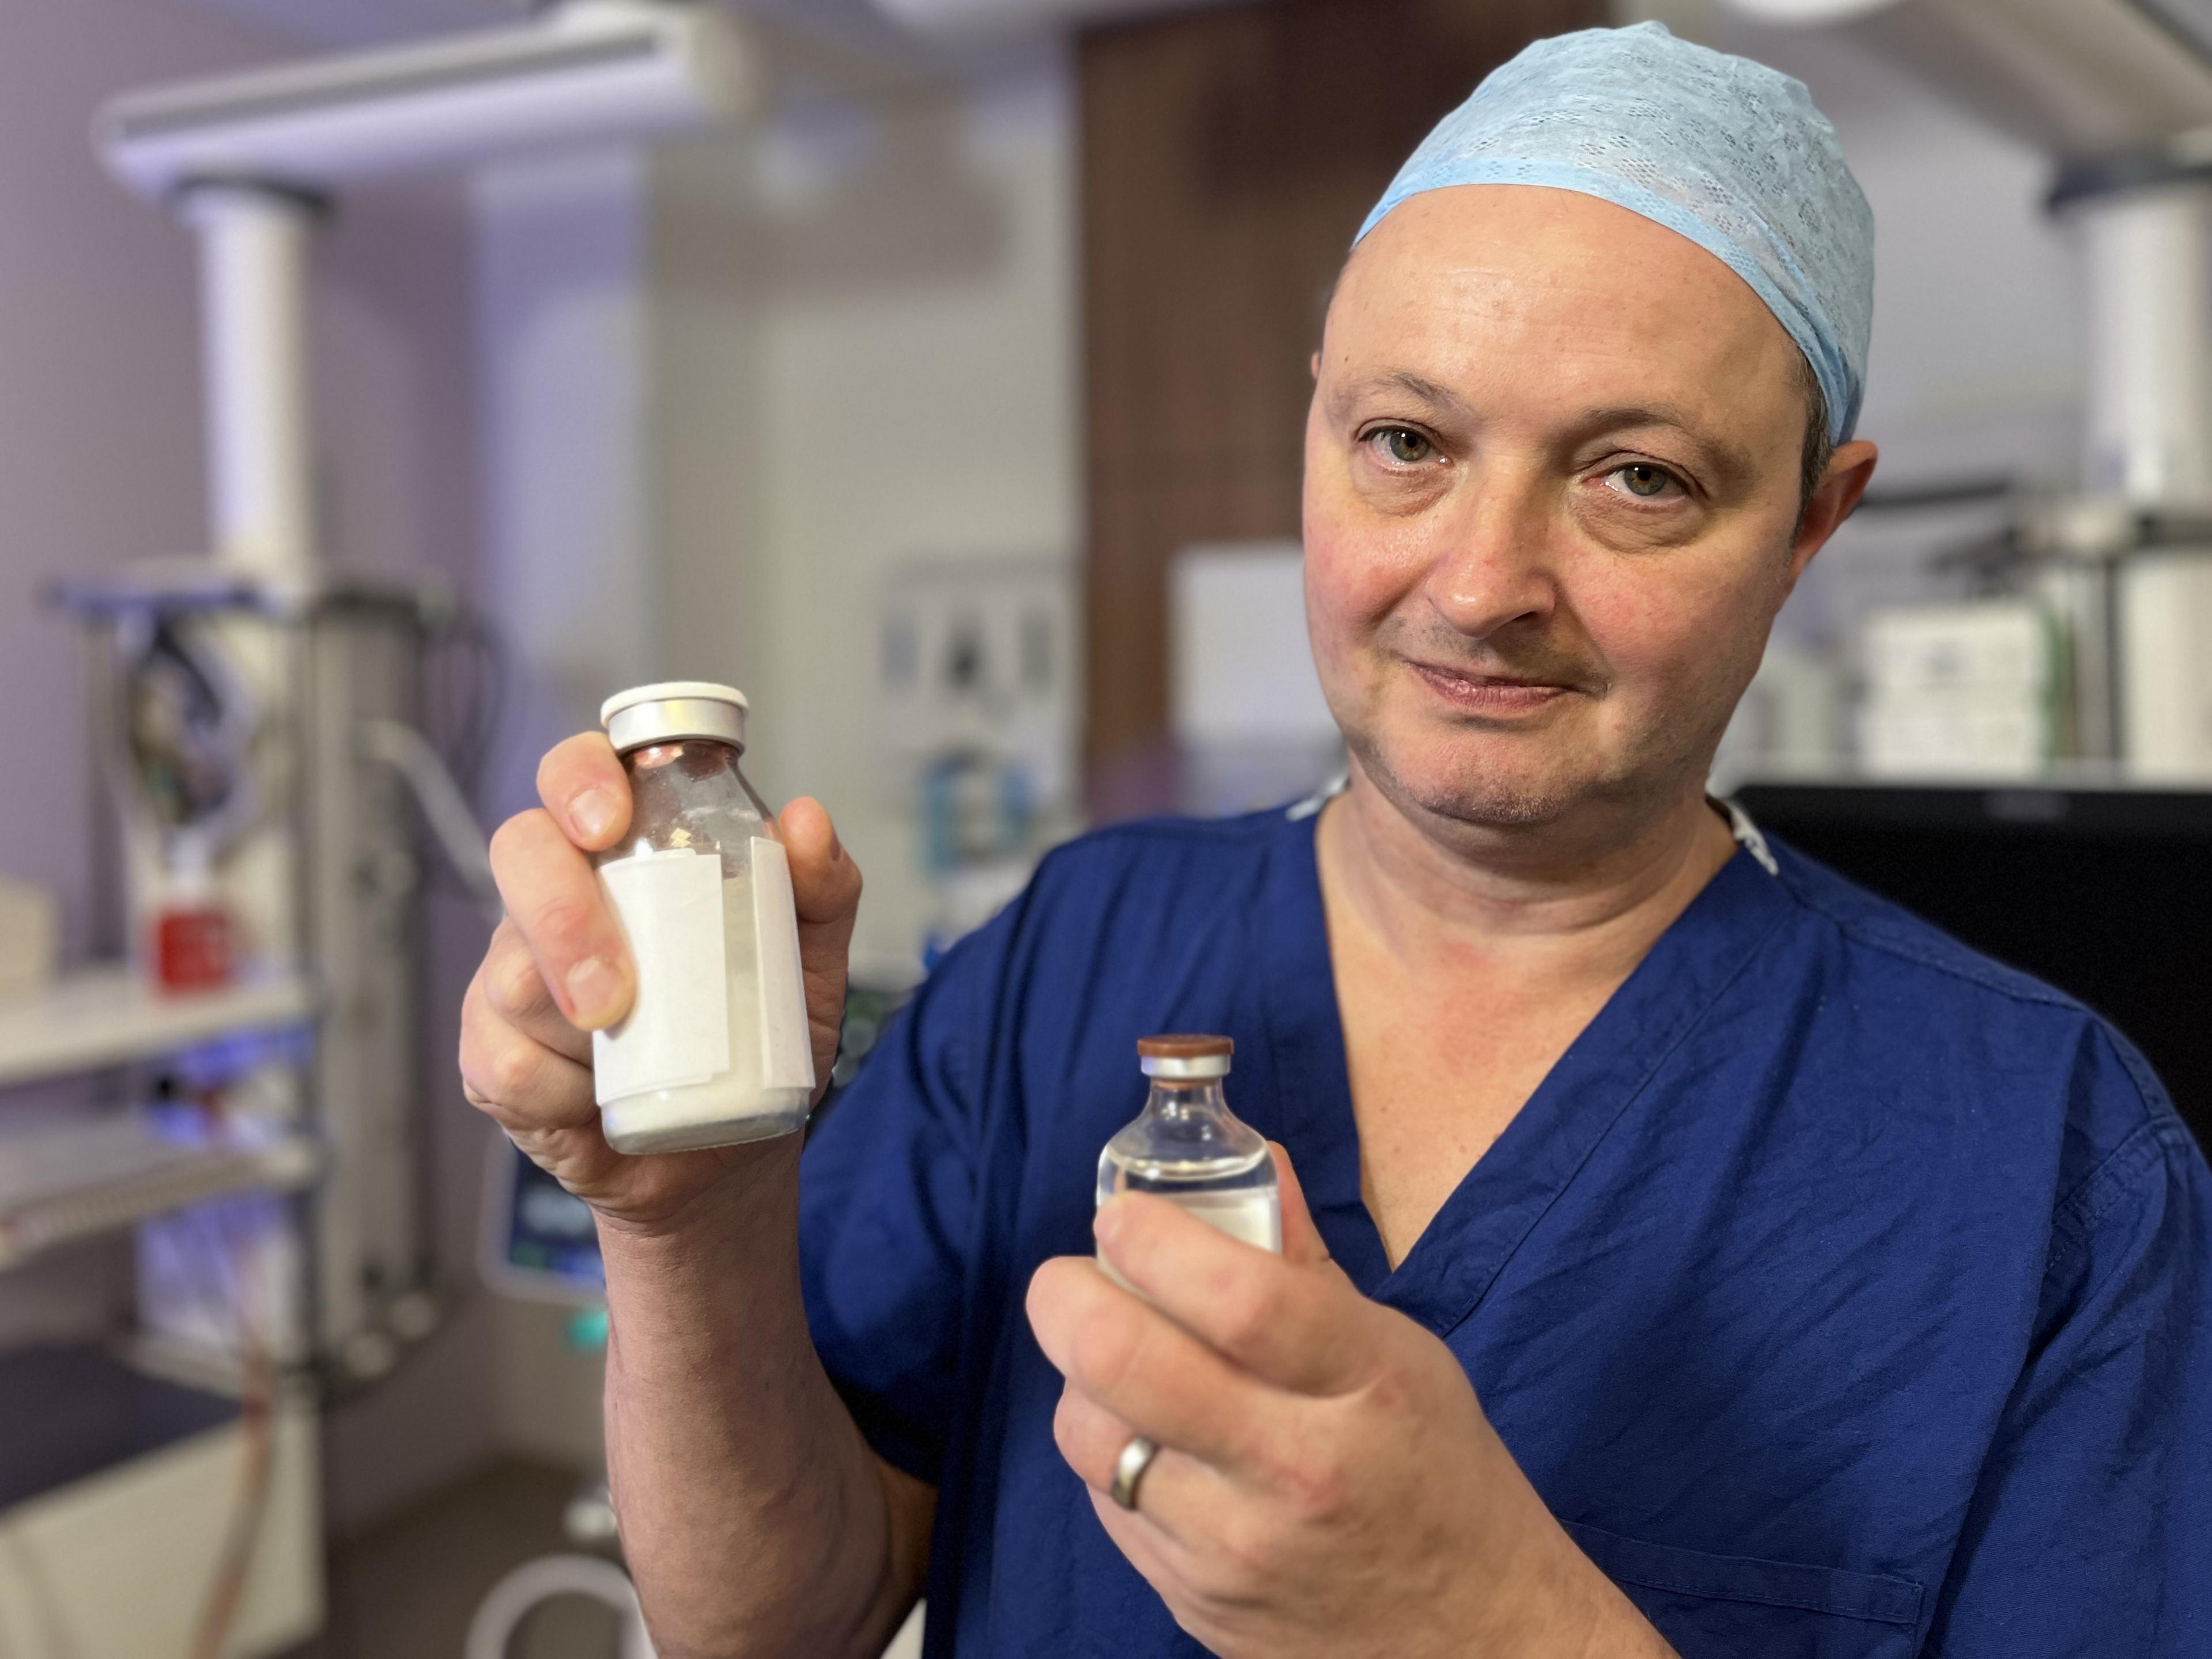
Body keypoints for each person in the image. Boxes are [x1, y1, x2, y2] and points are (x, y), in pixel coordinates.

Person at [459, 22, 2212, 1658]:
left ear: (1813, 522)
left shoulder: (2055, 1169)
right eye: (1404, 442)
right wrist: (683, 1227)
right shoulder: (1074, 952)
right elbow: (780, 1615)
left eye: (1639, 479)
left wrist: (1497, 1619)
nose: (1479, 584)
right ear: (1314, 430)